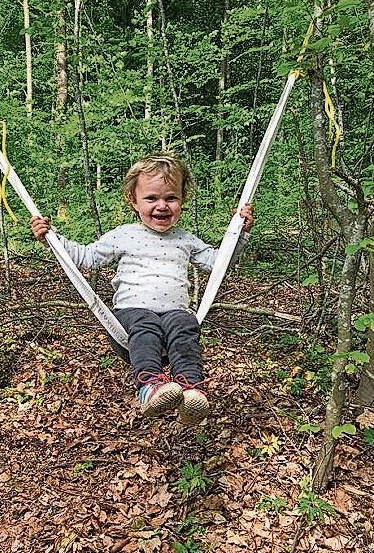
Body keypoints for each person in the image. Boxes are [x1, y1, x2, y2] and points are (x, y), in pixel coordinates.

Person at [31, 154, 254, 425]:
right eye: (151, 199)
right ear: (133, 201)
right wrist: (52, 239)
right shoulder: (124, 234)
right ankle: (150, 386)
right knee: (145, 324)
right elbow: (86, 258)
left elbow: (217, 263)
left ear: (182, 200)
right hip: (130, 318)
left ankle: (191, 389)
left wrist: (238, 234)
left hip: (173, 314)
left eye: (171, 198)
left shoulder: (185, 239)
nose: (162, 206)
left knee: (186, 325)